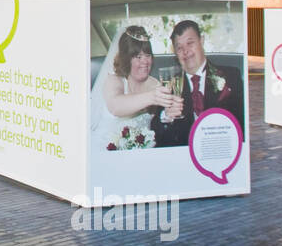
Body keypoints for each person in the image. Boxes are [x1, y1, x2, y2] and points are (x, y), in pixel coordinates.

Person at [151, 19, 244, 148]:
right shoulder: (170, 86)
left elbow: (241, 127)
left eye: (190, 43)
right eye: (179, 48)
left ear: (202, 41)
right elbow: (157, 136)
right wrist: (166, 116)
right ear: (175, 53)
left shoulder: (231, 76)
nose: (185, 51)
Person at [90, 25, 177, 150]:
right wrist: (153, 97)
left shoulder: (155, 85)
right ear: (126, 59)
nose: (145, 62)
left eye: (148, 55)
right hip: (103, 151)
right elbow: (115, 106)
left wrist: (168, 114)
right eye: (138, 57)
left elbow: (160, 123)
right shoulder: (114, 80)